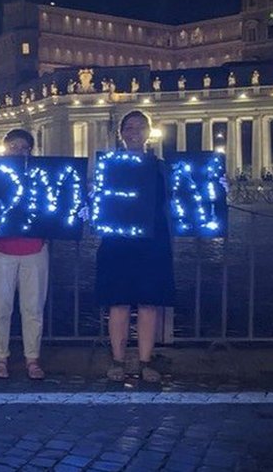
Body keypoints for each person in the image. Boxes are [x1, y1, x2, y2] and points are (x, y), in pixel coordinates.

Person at [96, 110, 174, 383]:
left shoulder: (163, 166)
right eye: (129, 127)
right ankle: (118, 360)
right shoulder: (108, 166)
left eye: (140, 127)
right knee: (118, 303)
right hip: (118, 240)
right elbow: (97, 199)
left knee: (148, 303)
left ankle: (145, 361)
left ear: (149, 132)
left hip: (152, 240)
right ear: (121, 133)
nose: (134, 132)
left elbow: (178, 198)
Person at [0, 129, 49, 380]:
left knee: (33, 308)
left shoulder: (39, 177)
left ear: (31, 151)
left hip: (35, 248)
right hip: (1, 248)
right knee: (0, 307)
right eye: (13, 146)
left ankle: (32, 358)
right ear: (4, 148)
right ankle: (0, 357)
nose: (19, 151)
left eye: (23, 147)